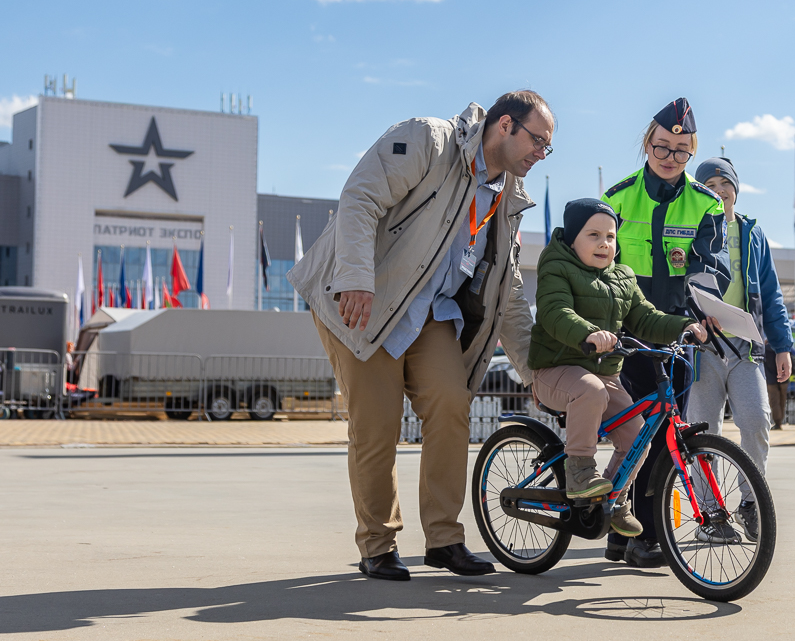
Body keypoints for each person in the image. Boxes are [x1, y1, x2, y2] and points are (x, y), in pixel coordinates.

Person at [288, 91, 552, 581]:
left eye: (547, 147)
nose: (541, 152)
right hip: (364, 299)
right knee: (378, 424)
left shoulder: (507, 197)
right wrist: (355, 278)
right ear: (505, 126)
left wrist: (532, 370)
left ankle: (444, 539)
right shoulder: (429, 140)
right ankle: (378, 544)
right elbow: (360, 197)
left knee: (452, 403)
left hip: (430, 311)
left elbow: (507, 291)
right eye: (538, 140)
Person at [600, 97, 731, 568]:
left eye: (681, 150)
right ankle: (620, 528)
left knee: (662, 436)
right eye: (662, 146)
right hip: (625, 332)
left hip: (676, 335)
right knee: (629, 432)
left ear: (691, 151)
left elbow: (712, 267)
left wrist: (700, 314)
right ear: (647, 144)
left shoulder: (706, 203)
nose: (670, 157)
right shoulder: (617, 198)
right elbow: (599, 262)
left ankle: (645, 536)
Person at [529, 199, 706, 537]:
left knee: (639, 435)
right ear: (571, 238)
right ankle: (580, 471)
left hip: (603, 374)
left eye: (610, 236)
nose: (604, 243)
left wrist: (684, 326)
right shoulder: (556, 265)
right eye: (593, 234)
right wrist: (588, 333)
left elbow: (645, 317)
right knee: (590, 390)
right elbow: (554, 311)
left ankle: (612, 499)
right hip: (555, 370)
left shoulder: (623, 276)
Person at [685, 156, 794, 544]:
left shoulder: (752, 232)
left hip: (745, 348)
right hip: (701, 349)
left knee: (756, 421)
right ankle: (710, 515)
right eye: (709, 184)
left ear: (735, 189)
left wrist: (782, 346)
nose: (718, 189)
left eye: (724, 183)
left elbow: (771, 294)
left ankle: (750, 503)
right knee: (702, 431)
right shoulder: (689, 228)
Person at [764, 343, 790, 431]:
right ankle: (781, 420)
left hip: (771, 380)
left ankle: (777, 422)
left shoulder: (765, 349)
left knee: (774, 401)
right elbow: (792, 361)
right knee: (783, 400)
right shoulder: (783, 347)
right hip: (784, 378)